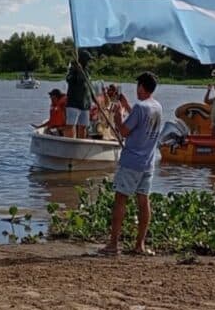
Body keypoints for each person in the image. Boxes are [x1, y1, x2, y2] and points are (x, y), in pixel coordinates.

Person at [99, 72, 163, 256]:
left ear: (142, 87)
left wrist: (118, 116)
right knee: (143, 200)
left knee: (121, 200)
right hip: (147, 162)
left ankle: (113, 244)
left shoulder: (141, 107)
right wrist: (126, 105)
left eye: (138, 86)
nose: (137, 89)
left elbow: (125, 130)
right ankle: (139, 244)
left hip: (131, 161)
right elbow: (141, 123)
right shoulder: (156, 106)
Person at [65, 50, 92, 139]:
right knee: (71, 125)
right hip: (74, 103)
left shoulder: (87, 71)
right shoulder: (72, 69)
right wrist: (77, 71)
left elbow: (88, 86)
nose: (88, 62)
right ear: (83, 60)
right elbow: (68, 79)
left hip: (85, 104)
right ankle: (69, 143)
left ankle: (81, 144)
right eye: (87, 60)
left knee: (83, 126)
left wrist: (92, 100)